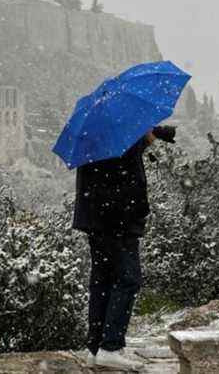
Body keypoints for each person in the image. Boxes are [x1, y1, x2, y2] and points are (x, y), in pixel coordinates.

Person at [73, 125, 176, 371]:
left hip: (97, 220)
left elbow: (117, 160)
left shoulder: (95, 136)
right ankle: (110, 346)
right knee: (128, 279)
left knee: (103, 281)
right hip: (116, 222)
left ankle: (96, 347)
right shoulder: (118, 136)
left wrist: (147, 138)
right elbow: (122, 172)